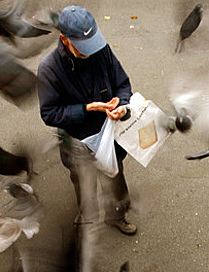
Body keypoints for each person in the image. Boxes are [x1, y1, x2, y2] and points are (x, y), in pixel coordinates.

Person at [37, 5, 137, 235]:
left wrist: (121, 106)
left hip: (108, 133)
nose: (89, 52)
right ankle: (87, 214)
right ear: (64, 39)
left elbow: (122, 84)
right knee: (82, 182)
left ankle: (117, 215)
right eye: (83, 48)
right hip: (76, 139)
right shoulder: (49, 69)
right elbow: (49, 113)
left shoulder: (101, 51)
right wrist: (86, 109)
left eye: (91, 44)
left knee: (114, 177)